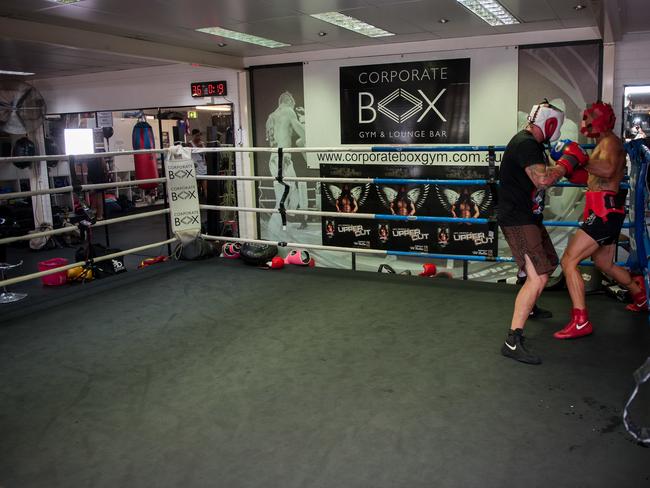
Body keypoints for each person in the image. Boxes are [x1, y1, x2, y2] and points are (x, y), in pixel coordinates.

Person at [553, 102, 647, 340]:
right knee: (604, 263)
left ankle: (580, 320)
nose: (586, 122)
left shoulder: (611, 143)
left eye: (590, 117)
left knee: (569, 260)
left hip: (603, 213)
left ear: (602, 119)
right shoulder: (601, 144)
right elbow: (592, 177)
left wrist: (580, 157)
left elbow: (606, 170)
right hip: (604, 211)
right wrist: (573, 166)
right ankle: (641, 296)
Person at [497, 99, 572, 364]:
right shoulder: (525, 144)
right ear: (550, 123)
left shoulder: (536, 146)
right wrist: (568, 163)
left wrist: (560, 162)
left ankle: (529, 308)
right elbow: (543, 178)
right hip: (518, 219)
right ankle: (512, 340)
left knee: (548, 265)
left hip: (530, 216)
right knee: (538, 276)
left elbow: (548, 172)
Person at [265, 92, 308, 226]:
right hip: (283, 156)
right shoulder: (288, 111)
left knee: (291, 190)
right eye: (293, 104)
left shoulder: (270, 117)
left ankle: (286, 220)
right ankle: (274, 228)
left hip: (275, 157)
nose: (293, 107)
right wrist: (305, 120)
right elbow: (302, 133)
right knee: (285, 196)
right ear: (289, 100)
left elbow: (271, 141)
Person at [189, 129, 208, 200]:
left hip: (203, 168)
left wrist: (206, 162)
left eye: (199, 135)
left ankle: (208, 204)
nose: (199, 137)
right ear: (193, 136)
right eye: (197, 135)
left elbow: (205, 155)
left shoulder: (202, 144)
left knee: (205, 187)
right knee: (195, 187)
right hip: (195, 169)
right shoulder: (189, 144)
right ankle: (195, 204)